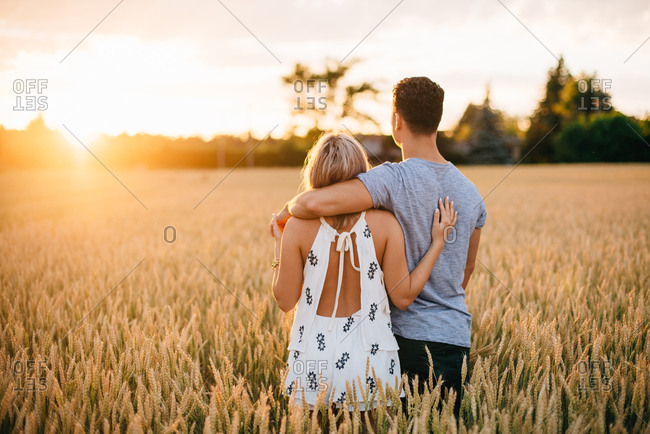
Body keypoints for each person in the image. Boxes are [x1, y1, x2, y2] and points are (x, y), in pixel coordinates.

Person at [274, 77, 486, 420]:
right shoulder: (472, 194)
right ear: (438, 120)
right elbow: (465, 273)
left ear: (396, 121)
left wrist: (286, 214)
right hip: (452, 340)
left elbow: (313, 203)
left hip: (399, 338)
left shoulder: (392, 179)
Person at [270, 132, 457, 413]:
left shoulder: (296, 227)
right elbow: (403, 298)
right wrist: (437, 243)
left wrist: (278, 245)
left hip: (311, 353)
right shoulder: (385, 224)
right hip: (372, 352)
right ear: (361, 172)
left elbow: (285, 301)